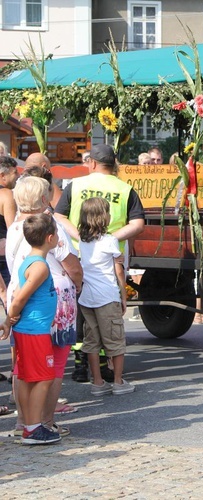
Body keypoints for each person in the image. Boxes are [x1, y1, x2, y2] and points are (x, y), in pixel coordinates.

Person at [54, 143, 145, 381]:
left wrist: (79, 236)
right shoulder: (126, 189)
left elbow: (58, 215)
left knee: (82, 314)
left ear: (92, 163)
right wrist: (109, 239)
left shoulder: (76, 185)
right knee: (107, 315)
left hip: (78, 256)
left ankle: (81, 364)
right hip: (110, 260)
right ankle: (107, 367)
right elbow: (138, 223)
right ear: (113, 164)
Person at [6, 176, 82, 437]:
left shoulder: (14, 228)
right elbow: (72, 265)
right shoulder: (49, 227)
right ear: (43, 199)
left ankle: (23, 423)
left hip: (19, 299)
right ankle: (43, 422)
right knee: (52, 366)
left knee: (23, 367)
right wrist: (79, 284)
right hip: (51, 302)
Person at [2, 213, 61, 445]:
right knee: (44, 378)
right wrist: (9, 319)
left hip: (30, 329)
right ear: (49, 238)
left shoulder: (30, 260)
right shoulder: (40, 267)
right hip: (35, 331)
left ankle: (28, 425)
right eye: (56, 233)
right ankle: (34, 428)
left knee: (27, 378)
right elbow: (18, 299)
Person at [77, 197, 134, 395]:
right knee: (115, 340)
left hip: (87, 297)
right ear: (104, 217)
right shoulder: (110, 240)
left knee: (91, 341)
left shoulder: (82, 241)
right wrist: (123, 295)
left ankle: (97, 382)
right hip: (107, 296)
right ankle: (118, 381)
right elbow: (118, 270)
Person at [0, 155, 20, 286]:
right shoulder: (6, 194)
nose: (18, 176)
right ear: (3, 175)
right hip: (3, 260)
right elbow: (13, 230)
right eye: (15, 172)